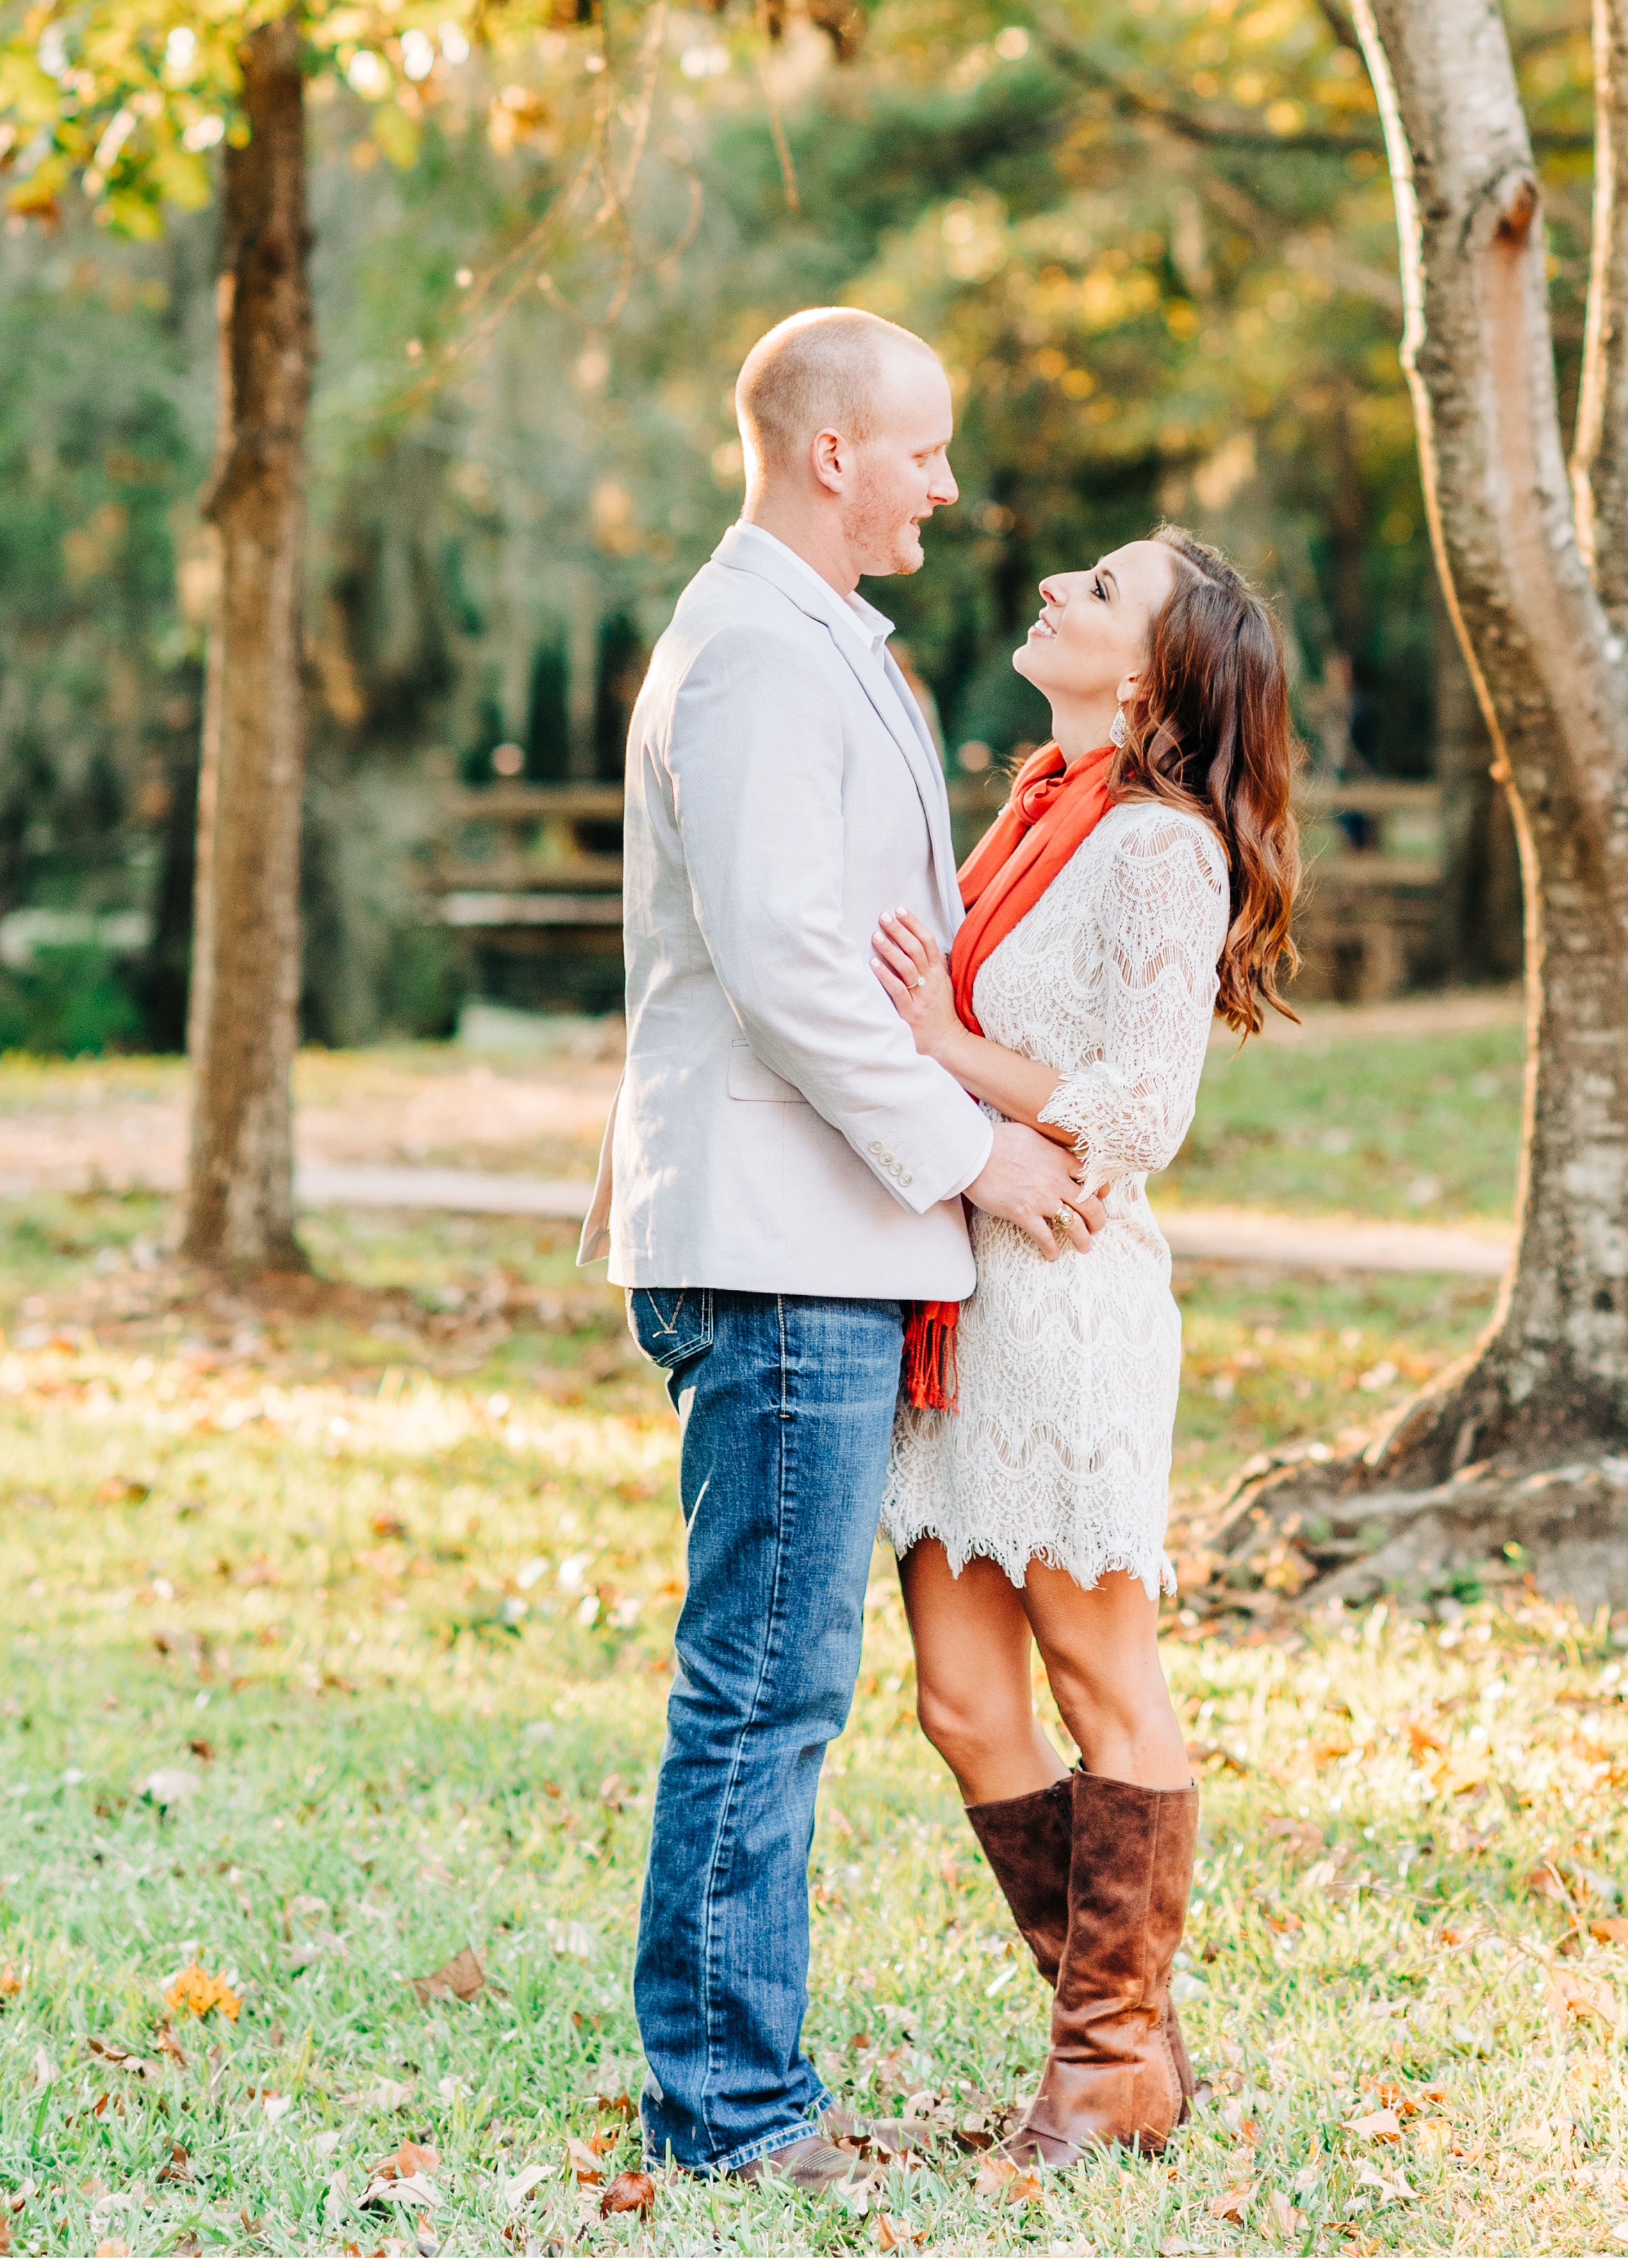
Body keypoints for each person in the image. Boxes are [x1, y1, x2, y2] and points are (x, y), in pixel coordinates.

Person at [582, 306, 1101, 2193]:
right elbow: (797, 971)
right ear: (829, 454)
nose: (945, 489)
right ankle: (727, 2113)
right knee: (765, 1679)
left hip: (832, 1236)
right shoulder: (747, 660)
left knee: (777, 1671)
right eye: (924, 452)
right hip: (784, 1237)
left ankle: (731, 2089)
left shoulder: (817, 647)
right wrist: (973, 1153)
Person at [872, 527, 1300, 2171]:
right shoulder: (1030, 824)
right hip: (960, 1295)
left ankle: (1106, 2058)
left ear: (1148, 673)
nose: (1059, 582)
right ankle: (1129, 2053)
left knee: (1096, 1672)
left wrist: (944, 1047)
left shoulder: (1155, 849)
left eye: (1102, 588)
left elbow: (1146, 1108)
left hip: (1062, 1303)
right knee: (964, 1701)